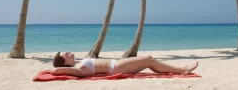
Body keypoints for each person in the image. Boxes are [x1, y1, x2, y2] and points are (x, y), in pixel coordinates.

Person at [51, 51, 199, 77]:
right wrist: (56, 68)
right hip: (116, 68)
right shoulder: (78, 68)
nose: (70, 53)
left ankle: (179, 70)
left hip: (117, 64)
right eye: (67, 54)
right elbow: (55, 72)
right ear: (65, 62)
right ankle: (181, 70)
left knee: (150, 61)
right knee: (149, 59)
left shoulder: (79, 62)